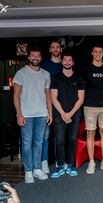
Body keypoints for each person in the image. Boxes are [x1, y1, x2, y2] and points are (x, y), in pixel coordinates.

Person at [13, 47, 52, 183]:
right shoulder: (21, 73)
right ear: (29, 58)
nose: (35, 58)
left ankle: (37, 169)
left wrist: (50, 113)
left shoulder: (46, 74)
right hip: (27, 115)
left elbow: (48, 95)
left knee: (39, 142)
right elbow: (16, 95)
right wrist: (19, 114)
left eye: (38, 56)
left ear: (41, 58)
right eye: (33, 56)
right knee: (27, 143)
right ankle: (28, 171)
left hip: (42, 114)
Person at [50, 53, 85, 178]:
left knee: (72, 140)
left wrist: (70, 113)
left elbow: (81, 98)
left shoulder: (79, 78)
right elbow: (53, 98)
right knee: (59, 141)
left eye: (70, 60)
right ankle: (60, 166)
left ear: (73, 63)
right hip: (60, 115)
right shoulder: (56, 77)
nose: (67, 62)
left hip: (74, 115)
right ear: (62, 62)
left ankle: (70, 165)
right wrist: (63, 113)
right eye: (65, 60)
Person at [83, 44, 103, 174]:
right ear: (92, 53)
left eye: (100, 52)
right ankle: (91, 162)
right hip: (90, 106)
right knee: (90, 133)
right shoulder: (86, 69)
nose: (98, 54)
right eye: (95, 52)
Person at [40, 40, 63, 174]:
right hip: (47, 105)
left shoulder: (66, 64)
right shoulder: (45, 66)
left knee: (61, 137)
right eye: (53, 47)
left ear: (60, 49)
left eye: (57, 47)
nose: (55, 49)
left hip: (62, 106)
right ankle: (45, 162)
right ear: (50, 50)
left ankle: (62, 162)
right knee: (46, 136)